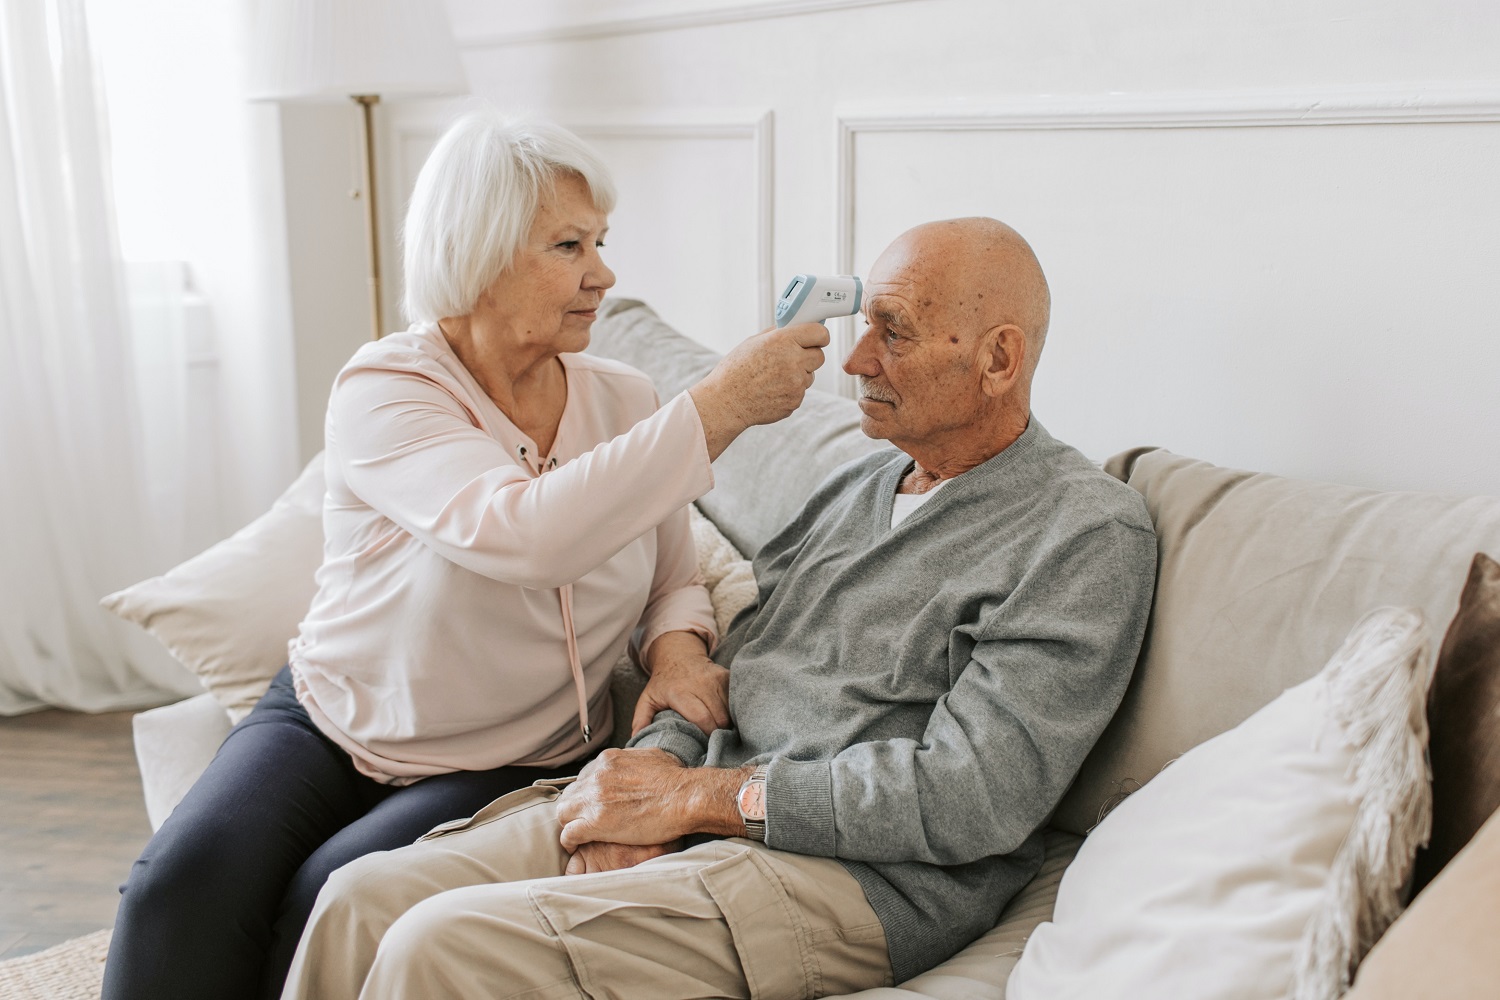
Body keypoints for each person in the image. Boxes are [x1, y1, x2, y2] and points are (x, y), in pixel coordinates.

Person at [281, 216, 1159, 1000]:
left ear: (998, 359)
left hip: (843, 877)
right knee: (359, 899)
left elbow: (976, 797)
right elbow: (729, 666)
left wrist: (704, 802)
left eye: (893, 335)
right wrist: (645, 783)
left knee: (437, 949)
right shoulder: (861, 488)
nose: (855, 364)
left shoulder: (1082, 533)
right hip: (705, 807)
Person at [101, 111, 829, 1000]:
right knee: (177, 889)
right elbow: (523, 531)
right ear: (477, 253)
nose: (604, 274)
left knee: (323, 901)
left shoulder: (628, 400)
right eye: (568, 246)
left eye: (600, 240)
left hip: (512, 752)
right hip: (332, 720)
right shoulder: (388, 388)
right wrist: (720, 404)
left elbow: (673, 576)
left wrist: (676, 649)